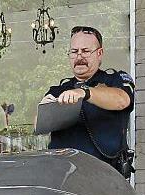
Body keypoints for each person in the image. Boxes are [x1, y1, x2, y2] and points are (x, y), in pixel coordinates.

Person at [40, 26, 135, 175]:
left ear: (99, 53)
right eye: (74, 52)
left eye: (85, 51)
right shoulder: (59, 89)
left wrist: (84, 92)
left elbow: (122, 100)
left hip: (106, 176)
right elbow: (38, 125)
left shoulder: (115, 79)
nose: (79, 57)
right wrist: (46, 109)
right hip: (63, 176)